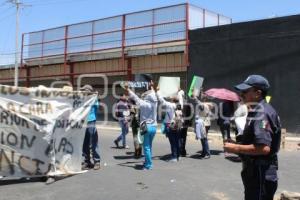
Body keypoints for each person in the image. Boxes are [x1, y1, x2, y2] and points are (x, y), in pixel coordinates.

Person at [224, 75, 281, 200]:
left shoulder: (261, 113)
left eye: (245, 91)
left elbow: (263, 148)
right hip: (255, 172)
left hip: (261, 174)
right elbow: (257, 140)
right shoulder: (256, 111)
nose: (241, 94)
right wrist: (237, 142)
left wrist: (236, 148)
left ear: (257, 93)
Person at [123, 74, 158, 170]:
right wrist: (152, 86)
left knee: (146, 147)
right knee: (149, 146)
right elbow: (154, 94)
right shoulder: (155, 102)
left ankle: (148, 165)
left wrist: (128, 89)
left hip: (146, 127)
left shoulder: (144, 103)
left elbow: (135, 98)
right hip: (154, 127)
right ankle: (147, 162)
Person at [81, 85, 101, 170]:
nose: (83, 92)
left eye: (84, 91)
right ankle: (87, 161)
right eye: (83, 91)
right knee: (84, 142)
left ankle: (97, 161)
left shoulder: (94, 99)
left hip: (91, 121)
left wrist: (94, 96)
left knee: (93, 142)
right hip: (83, 122)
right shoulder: (82, 99)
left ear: (89, 91)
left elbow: (97, 106)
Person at [157, 92, 181, 162]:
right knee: (177, 141)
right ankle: (178, 155)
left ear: (173, 99)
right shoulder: (179, 105)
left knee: (172, 141)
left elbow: (161, 100)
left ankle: (174, 157)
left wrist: (158, 91)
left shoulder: (170, 105)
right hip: (177, 125)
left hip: (170, 125)